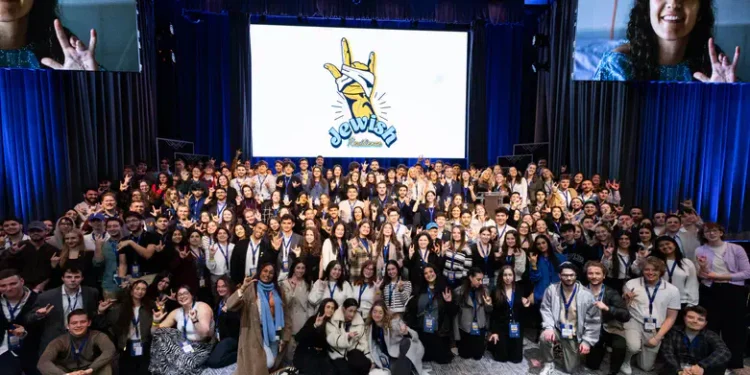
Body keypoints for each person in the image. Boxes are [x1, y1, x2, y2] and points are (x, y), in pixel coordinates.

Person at [593, 0, 740, 82]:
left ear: (700, 11)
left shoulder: (713, 64)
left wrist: (724, 98)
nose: (673, 3)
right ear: (647, 6)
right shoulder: (617, 67)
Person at [695, 222, 750, 372]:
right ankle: (710, 363)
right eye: (707, 231)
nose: (711, 234)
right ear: (703, 234)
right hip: (710, 290)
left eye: (714, 231)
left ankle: (735, 364)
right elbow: (701, 276)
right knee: (710, 326)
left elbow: (746, 273)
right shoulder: (700, 249)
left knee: (735, 328)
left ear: (721, 232)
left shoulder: (735, 248)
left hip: (733, 291)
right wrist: (704, 268)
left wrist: (720, 277)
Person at [226, 263, 292, 375]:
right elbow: (230, 305)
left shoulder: (278, 290)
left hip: (275, 334)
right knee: (266, 363)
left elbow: (286, 314)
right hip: (254, 334)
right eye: (265, 271)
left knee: (273, 364)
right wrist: (243, 287)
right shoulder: (251, 289)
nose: (268, 274)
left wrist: (285, 336)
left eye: (271, 272)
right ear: (260, 272)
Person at [621, 257, 681, 374]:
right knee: (633, 346)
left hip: (655, 326)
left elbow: (671, 317)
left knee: (646, 367)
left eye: (655, 270)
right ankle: (626, 360)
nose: (650, 273)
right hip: (634, 321)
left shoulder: (672, 290)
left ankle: (640, 351)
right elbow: (623, 309)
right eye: (647, 270)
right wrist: (626, 299)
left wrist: (658, 337)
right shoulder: (632, 283)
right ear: (642, 270)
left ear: (661, 272)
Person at [538, 262, 600, 375]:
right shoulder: (551, 290)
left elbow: (594, 321)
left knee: (570, 369)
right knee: (544, 337)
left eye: (572, 275)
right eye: (565, 275)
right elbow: (546, 309)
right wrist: (549, 327)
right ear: (559, 276)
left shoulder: (586, 295)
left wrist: (587, 341)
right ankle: (549, 362)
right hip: (557, 329)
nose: (569, 278)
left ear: (576, 276)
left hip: (574, 334)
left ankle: (561, 351)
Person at [27, 266, 100, 356]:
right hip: (55, 338)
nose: (73, 280)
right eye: (69, 277)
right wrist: (38, 314)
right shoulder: (47, 296)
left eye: (77, 277)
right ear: (63, 278)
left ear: (82, 278)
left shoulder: (91, 293)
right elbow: (29, 318)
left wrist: (100, 312)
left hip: (82, 338)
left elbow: (93, 315)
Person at [150, 285, 214, 375]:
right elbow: (155, 333)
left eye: (185, 293)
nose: (182, 296)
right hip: (184, 346)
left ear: (192, 295)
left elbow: (205, 333)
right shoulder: (177, 312)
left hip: (202, 346)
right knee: (161, 337)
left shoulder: (202, 307)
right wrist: (155, 322)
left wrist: (194, 320)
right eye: (179, 295)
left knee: (181, 363)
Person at [94, 280, 153, 375]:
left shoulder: (149, 307)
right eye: (137, 288)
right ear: (131, 291)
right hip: (126, 345)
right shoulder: (120, 308)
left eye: (143, 289)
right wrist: (100, 312)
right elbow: (105, 324)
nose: (140, 291)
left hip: (144, 345)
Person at [583, 261, 630, 375]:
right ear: (586, 275)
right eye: (591, 273)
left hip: (609, 328)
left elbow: (626, 315)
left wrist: (608, 308)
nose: (594, 276)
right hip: (590, 330)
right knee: (592, 365)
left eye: (597, 273)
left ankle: (614, 371)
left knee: (620, 345)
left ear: (604, 276)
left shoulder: (611, 292)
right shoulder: (580, 291)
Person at [37, 310, 115, 375]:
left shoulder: (98, 336)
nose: (78, 325)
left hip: (91, 370)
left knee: (106, 366)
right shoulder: (60, 341)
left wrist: (90, 369)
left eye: (83, 322)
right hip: (67, 372)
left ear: (89, 323)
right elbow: (43, 362)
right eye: (74, 323)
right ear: (68, 326)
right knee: (52, 368)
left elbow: (110, 350)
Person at [659, 305, 731, 375]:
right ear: (684, 318)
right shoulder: (673, 332)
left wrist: (701, 366)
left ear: (705, 323)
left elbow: (724, 352)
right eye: (690, 317)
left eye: (700, 319)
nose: (695, 321)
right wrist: (679, 371)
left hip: (699, 370)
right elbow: (667, 353)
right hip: (676, 370)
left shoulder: (710, 334)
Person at [366, 301, 426, 375]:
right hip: (390, 354)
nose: (377, 315)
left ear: (384, 314)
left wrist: (406, 332)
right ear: (371, 312)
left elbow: (415, 335)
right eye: (375, 312)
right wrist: (374, 361)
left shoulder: (393, 322)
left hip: (404, 349)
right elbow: (373, 347)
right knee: (393, 370)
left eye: (380, 312)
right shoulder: (370, 326)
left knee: (405, 344)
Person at [0, 269, 40, 375]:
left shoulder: (38, 299)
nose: (8, 288)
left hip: (33, 352)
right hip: (3, 351)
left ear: (22, 281)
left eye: (13, 284)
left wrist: (25, 333)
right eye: (3, 286)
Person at [488, 266, 530, 363]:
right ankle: (492, 343)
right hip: (501, 327)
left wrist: (526, 304)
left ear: (514, 276)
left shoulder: (519, 289)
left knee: (516, 359)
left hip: (515, 326)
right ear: (501, 277)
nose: (508, 278)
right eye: (505, 275)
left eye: (510, 275)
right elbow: (494, 314)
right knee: (501, 358)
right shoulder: (496, 291)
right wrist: (494, 331)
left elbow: (521, 310)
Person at [454, 267, 493, 360]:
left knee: (478, 356)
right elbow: (455, 315)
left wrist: (489, 304)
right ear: (471, 278)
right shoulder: (459, 291)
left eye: (482, 280)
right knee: (465, 355)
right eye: (478, 279)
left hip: (479, 326)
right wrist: (456, 335)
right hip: (465, 328)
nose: (481, 282)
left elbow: (489, 312)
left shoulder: (485, 291)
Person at [652, 236, 699, 310]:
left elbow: (692, 284)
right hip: (659, 301)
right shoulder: (656, 262)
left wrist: (692, 303)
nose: (665, 246)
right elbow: (637, 271)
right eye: (661, 245)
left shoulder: (686, 263)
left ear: (674, 245)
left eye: (667, 244)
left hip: (682, 301)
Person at [281, 259, 314, 363]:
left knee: (302, 349)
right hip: (290, 319)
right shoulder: (285, 283)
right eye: (298, 268)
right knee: (290, 349)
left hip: (304, 320)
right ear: (293, 269)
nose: (300, 270)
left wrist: (310, 318)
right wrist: (293, 289)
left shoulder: (308, 283)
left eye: (303, 268)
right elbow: (285, 303)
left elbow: (310, 303)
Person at [326, 298, 370, 375]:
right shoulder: (334, 319)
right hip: (337, 352)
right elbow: (332, 339)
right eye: (350, 311)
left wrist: (369, 358)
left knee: (365, 365)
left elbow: (363, 342)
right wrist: (347, 337)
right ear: (343, 309)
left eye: (355, 311)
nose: (352, 314)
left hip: (352, 350)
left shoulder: (359, 321)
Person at [293, 298, 337, 375]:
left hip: (322, 355)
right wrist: (315, 326)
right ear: (323, 307)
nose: (330, 310)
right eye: (328, 307)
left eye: (333, 308)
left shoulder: (334, 324)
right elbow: (298, 337)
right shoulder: (313, 319)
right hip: (307, 353)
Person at [205, 276, 241, 368]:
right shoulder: (219, 301)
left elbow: (237, 323)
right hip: (220, 337)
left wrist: (227, 313)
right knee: (205, 356)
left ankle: (239, 354)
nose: (220, 289)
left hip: (232, 338)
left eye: (223, 286)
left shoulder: (236, 301)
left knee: (213, 362)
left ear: (229, 287)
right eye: (218, 286)